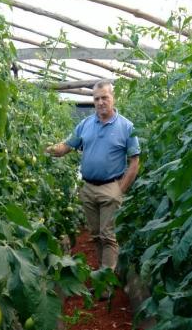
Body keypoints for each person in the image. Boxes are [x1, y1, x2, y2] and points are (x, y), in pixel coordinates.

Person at [45, 80, 140, 271]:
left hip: (110, 187)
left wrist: (120, 190)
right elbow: (67, 146)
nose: (100, 102)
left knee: (108, 236)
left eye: (105, 97)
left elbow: (135, 162)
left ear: (113, 98)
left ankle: (106, 280)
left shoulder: (127, 127)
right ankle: (103, 272)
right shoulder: (85, 124)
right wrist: (45, 149)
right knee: (96, 235)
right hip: (88, 188)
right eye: (96, 99)